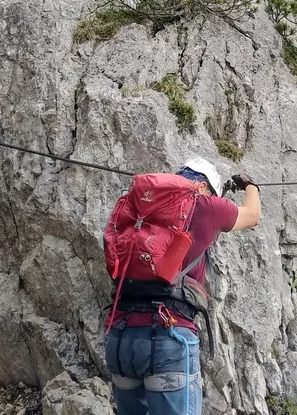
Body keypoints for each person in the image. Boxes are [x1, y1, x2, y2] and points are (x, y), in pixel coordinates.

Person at [104, 158, 262, 415]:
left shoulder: (139, 206)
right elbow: (253, 215)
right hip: (167, 336)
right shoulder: (205, 204)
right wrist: (251, 185)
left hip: (120, 337)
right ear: (205, 187)